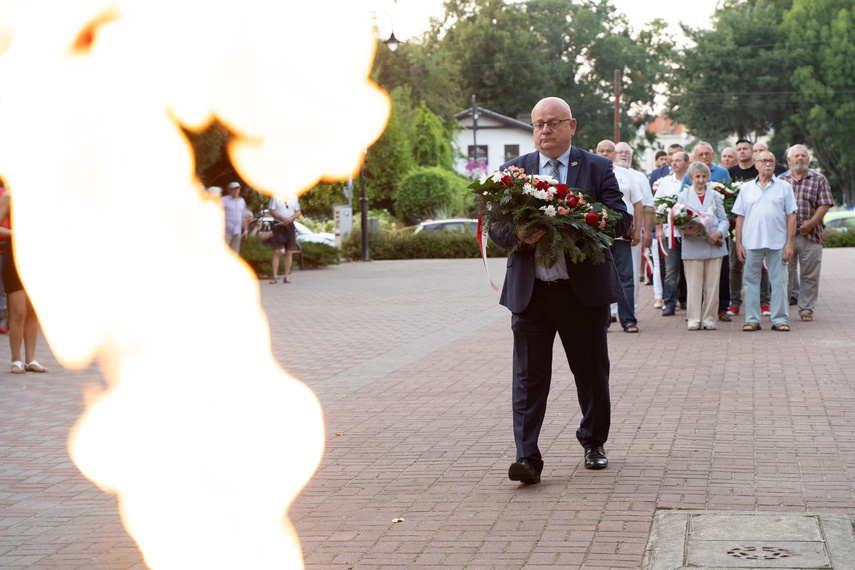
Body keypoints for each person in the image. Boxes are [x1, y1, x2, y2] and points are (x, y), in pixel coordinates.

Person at [489, 97, 630, 483]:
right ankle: (527, 457)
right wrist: (517, 232)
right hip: (531, 295)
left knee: (591, 374)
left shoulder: (598, 167)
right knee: (528, 379)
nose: (545, 131)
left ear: (572, 126)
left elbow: (619, 219)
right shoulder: (513, 172)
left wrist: (577, 216)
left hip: (581, 294)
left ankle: (593, 442)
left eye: (553, 123)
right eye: (538, 124)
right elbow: (495, 228)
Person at [733, 151, 797, 332]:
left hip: (778, 242)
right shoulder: (746, 188)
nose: (768, 164)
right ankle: (752, 320)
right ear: (756, 164)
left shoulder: (784, 187)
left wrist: (790, 243)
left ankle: (779, 320)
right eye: (764, 161)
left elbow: (791, 216)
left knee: (779, 282)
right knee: (751, 281)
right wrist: (738, 243)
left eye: (771, 160)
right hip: (751, 242)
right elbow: (740, 217)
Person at [779, 145, 834, 322]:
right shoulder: (780, 180)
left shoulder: (819, 178)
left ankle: (806, 309)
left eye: (803, 155)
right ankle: (782, 309)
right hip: (785, 238)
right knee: (784, 275)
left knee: (810, 275)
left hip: (812, 235)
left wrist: (811, 223)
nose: (800, 158)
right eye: (796, 156)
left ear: (808, 159)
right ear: (789, 160)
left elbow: (825, 203)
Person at [677, 162, 729, 330]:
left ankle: (709, 319)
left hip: (714, 245)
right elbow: (676, 222)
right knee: (693, 285)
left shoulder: (715, 196)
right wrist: (687, 230)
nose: (700, 180)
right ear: (691, 177)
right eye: (697, 176)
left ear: (708, 177)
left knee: (713, 285)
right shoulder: (683, 196)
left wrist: (718, 233)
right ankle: (693, 319)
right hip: (693, 246)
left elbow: (724, 220)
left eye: (704, 176)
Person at [0, 189, 47, 373]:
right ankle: (16, 360)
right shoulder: (9, 195)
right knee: (19, 311)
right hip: (15, 256)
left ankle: (31, 359)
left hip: (38, 255)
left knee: (34, 312)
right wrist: (17, 232)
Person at [597, 140, 642, 333]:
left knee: (626, 279)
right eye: (602, 151)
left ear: (616, 154)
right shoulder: (592, 173)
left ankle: (628, 320)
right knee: (600, 279)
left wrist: (638, 230)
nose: (606, 153)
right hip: (598, 236)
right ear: (597, 152)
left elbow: (638, 203)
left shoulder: (626, 175)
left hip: (622, 235)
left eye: (610, 151)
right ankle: (603, 321)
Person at [727, 138, 772, 317]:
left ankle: (764, 303)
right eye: (739, 149)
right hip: (735, 225)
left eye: (746, 148)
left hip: (759, 227)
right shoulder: (729, 172)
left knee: (762, 265)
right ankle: (735, 303)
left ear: (753, 152)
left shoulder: (759, 170)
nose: (742, 151)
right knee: (735, 265)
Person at [654, 151, 690, 316]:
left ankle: (690, 301)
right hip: (670, 234)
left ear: (686, 162)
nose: (673, 163)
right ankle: (669, 303)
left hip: (691, 233)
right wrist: (659, 228)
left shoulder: (692, 179)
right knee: (670, 270)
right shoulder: (665, 182)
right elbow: (657, 206)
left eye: (677, 160)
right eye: (672, 161)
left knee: (690, 270)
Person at [268, 192, 302, 284]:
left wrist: (290, 219)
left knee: (289, 251)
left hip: (289, 225)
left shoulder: (294, 197)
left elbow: (298, 212)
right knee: (277, 251)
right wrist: (282, 218)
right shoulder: (275, 196)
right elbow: (271, 211)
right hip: (278, 225)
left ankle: (286, 276)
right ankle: (275, 276)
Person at [221, 181, 249, 255]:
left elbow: (244, 217)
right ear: (229, 190)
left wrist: (245, 230)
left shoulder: (242, 201)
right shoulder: (223, 200)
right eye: (234, 189)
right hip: (226, 231)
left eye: (237, 189)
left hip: (237, 231)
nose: (236, 191)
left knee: (235, 254)